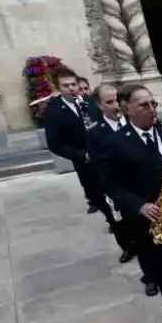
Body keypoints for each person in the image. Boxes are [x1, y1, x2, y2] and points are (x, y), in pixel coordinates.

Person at [98, 85, 162, 323]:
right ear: (125, 108)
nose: (151, 109)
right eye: (143, 105)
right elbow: (110, 184)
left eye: (153, 103)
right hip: (152, 217)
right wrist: (139, 206)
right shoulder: (115, 143)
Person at [43, 66, 107, 216]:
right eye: (66, 86)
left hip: (104, 155)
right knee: (98, 197)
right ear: (58, 88)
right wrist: (81, 155)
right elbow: (54, 144)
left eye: (73, 84)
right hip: (84, 161)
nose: (71, 88)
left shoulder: (88, 102)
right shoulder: (54, 111)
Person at [86, 83, 135, 264]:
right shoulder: (95, 132)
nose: (115, 106)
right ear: (99, 105)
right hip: (116, 184)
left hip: (139, 181)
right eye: (109, 102)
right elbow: (99, 163)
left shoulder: (133, 121)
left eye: (117, 101)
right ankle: (127, 247)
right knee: (119, 220)